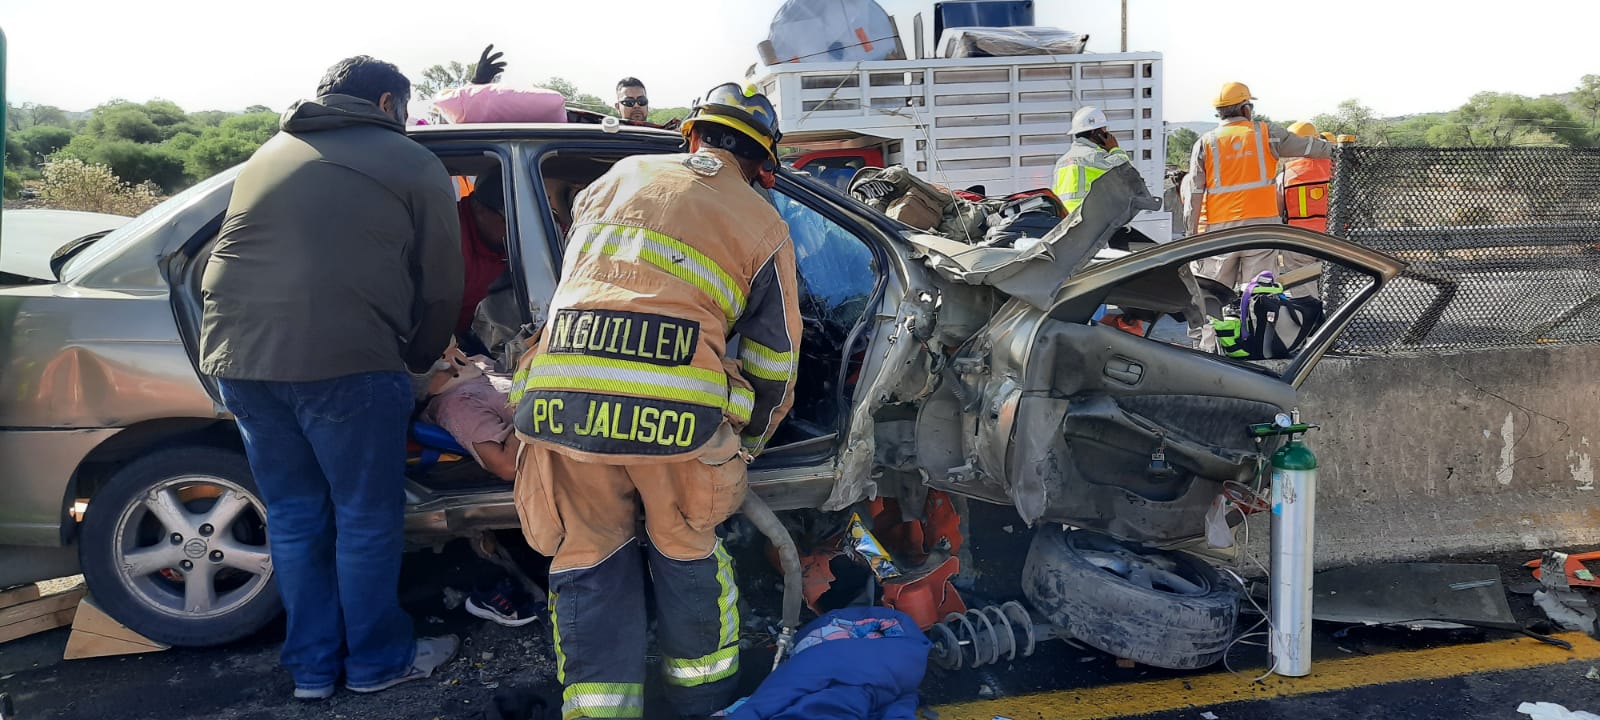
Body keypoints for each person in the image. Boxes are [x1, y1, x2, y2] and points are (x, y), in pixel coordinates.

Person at [511, 82, 801, 719]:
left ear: (691, 136)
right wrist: (746, 445)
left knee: (586, 554)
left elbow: (584, 281)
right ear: (761, 164)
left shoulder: (619, 176)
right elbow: (775, 363)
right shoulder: (764, 222)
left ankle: (599, 712)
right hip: (677, 427)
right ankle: (703, 704)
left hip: (561, 405)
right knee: (685, 546)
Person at [198, 55, 463, 700]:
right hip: (345, 363)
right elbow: (442, 289)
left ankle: (313, 670)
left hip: (240, 359)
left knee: (294, 517)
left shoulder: (274, 150)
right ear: (386, 104)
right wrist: (422, 363)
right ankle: (376, 661)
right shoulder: (411, 160)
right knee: (366, 518)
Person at [1185, 81, 1336, 293]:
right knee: (1259, 292)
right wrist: (1341, 151)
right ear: (1246, 108)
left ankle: (1216, 326)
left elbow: (1194, 193)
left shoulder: (1204, 143)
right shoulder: (1268, 133)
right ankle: (1257, 325)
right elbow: (1310, 146)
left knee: (1213, 294)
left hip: (1220, 230)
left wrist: (1191, 237)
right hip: (1261, 228)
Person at [1051, 105, 1135, 214]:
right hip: (1090, 219)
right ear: (1094, 132)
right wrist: (1114, 149)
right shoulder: (1094, 156)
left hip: (1068, 221)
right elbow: (1125, 171)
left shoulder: (1061, 162)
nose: (1107, 133)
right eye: (1104, 129)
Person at [456, 170, 511, 336]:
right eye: (506, 219)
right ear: (478, 209)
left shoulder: (501, 239)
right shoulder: (452, 242)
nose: (515, 230)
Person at [1278, 121, 1333, 234]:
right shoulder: (1336, 169)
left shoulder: (1284, 176)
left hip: (1298, 241)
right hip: (1335, 239)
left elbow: (1277, 212)